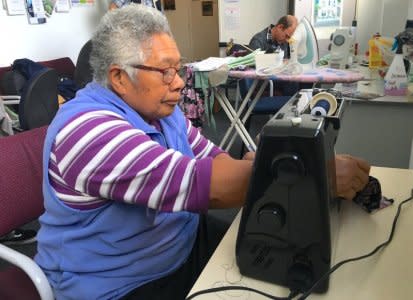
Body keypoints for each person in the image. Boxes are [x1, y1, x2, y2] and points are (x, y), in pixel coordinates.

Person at [35, 5, 370, 300]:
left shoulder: (159, 110)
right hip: (123, 282)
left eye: (178, 68)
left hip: (181, 241)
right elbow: (211, 187)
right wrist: (318, 174)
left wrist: (261, 167)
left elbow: (215, 159)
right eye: (165, 71)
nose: (179, 82)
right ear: (120, 78)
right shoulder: (89, 132)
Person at [249, 15, 301, 96]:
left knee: (305, 83)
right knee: (293, 83)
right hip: (262, 81)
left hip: (276, 78)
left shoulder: (283, 41)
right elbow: (253, 68)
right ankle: (289, 106)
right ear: (280, 27)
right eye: (286, 36)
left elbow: (285, 64)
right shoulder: (258, 41)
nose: (287, 40)